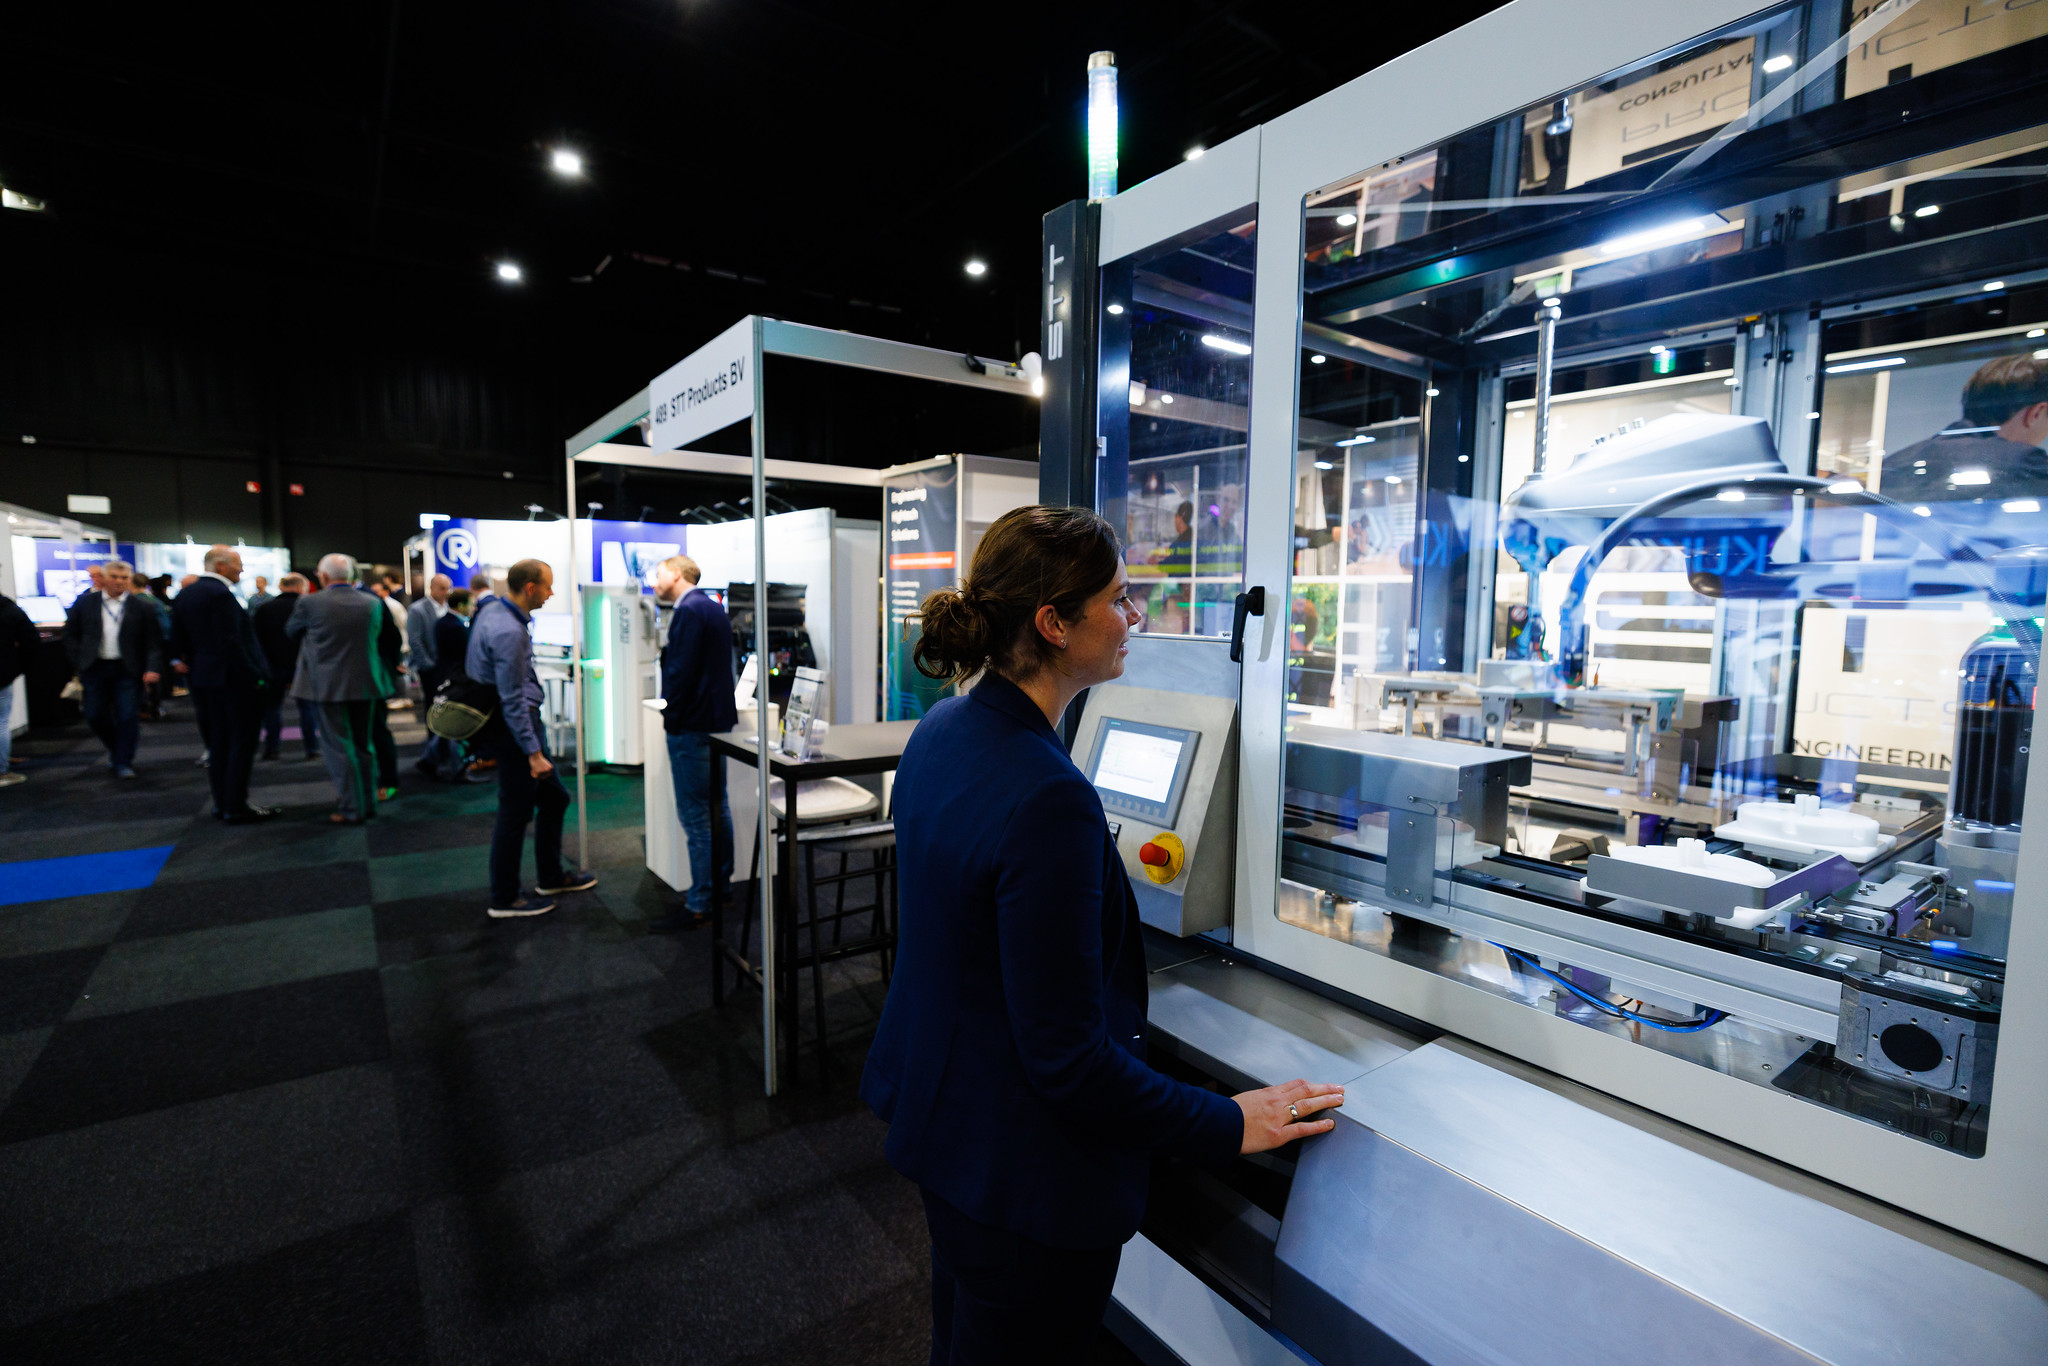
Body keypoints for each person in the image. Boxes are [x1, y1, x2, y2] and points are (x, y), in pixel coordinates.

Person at [860, 506, 1345, 1362]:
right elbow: (1069, 1061)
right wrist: (1228, 1122)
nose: (1134, 618)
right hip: (1023, 1185)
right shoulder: (1049, 797)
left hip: (947, 1132)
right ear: (1054, 624)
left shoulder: (944, 729)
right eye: (1119, 600)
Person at [467, 557, 595, 918]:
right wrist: (533, 752)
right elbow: (512, 700)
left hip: (509, 727)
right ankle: (505, 898)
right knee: (515, 813)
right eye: (548, 586)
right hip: (515, 732)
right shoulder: (509, 631)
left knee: (554, 799)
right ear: (530, 588)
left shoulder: (491, 610)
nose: (551, 593)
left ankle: (550, 877)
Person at [650, 555, 736, 933]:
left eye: (658, 574)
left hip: (692, 724)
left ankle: (700, 901)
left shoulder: (688, 611)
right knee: (718, 805)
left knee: (697, 816)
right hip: (714, 722)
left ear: (676, 573)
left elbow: (680, 672)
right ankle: (722, 886)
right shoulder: (712, 607)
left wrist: (672, 716)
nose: (654, 582)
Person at [289, 553, 400, 824]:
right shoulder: (372, 602)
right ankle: (367, 803)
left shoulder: (309, 602)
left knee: (339, 749)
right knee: (364, 745)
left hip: (327, 686)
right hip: (367, 683)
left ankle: (352, 808)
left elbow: (291, 631)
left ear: (324, 576)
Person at [170, 545, 276, 823]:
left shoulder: (187, 593)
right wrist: (255, 678)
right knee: (240, 743)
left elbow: (178, 639)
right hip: (232, 682)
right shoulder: (220, 595)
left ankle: (223, 803)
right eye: (238, 563)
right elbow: (231, 643)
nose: (242, 569)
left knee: (218, 744)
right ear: (221, 566)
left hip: (203, 679)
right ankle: (236, 805)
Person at [59, 558, 165, 778]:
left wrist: (152, 667)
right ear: (104, 578)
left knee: (127, 716)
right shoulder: (85, 603)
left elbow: (153, 641)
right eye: (114, 577)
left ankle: (123, 761)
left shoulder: (142, 606)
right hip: (94, 667)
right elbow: (70, 635)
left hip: (127, 669)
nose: (119, 581)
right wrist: (78, 660)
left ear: (129, 580)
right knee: (94, 714)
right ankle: (116, 749)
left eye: (124, 578)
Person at [253, 573, 321, 761]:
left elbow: (255, 640)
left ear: (281, 587)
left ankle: (272, 748)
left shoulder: (265, 608)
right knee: (307, 708)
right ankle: (312, 748)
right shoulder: (310, 608)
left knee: (272, 708)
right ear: (301, 587)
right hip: (303, 665)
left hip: (272, 666)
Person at [407, 573, 455, 778]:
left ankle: (444, 752)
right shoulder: (417, 610)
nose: (446, 592)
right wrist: (428, 665)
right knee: (433, 710)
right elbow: (415, 640)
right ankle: (434, 754)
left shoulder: (449, 608)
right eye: (442, 588)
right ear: (432, 588)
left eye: (448, 588)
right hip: (431, 670)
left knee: (448, 710)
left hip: (448, 669)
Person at [0, 589, 41, 789]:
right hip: (2, 675)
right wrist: (16, 668)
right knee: (1, 722)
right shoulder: (8, 609)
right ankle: (1, 771)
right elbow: (31, 641)